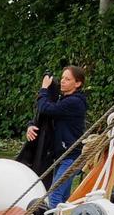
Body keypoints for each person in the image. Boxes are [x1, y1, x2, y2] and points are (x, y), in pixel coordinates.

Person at [26, 66, 87, 207]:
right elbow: (43, 115)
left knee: (54, 194)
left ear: (77, 84)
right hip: (61, 155)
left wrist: (44, 89)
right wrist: (30, 125)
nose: (63, 81)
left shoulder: (74, 102)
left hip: (72, 157)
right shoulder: (64, 100)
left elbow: (46, 108)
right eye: (63, 78)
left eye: (68, 79)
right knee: (63, 197)